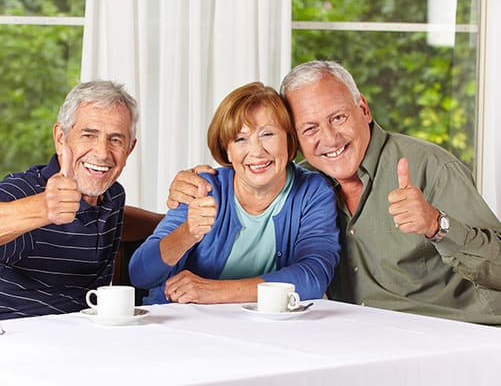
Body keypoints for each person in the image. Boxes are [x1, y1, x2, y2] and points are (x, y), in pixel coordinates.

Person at [167, 61, 501, 325]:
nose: (329, 138)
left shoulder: (430, 167)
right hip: (362, 337)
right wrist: (198, 181)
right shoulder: (305, 186)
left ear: (364, 110)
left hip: (460, 332)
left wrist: (436, 225)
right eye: (310, 128)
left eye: (338, 117)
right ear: (294, 138)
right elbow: (247, 175)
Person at [128, 82, 340, 305]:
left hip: (255, 330)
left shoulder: (312, 192)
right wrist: (187, 233)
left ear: (288, 139)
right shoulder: (205, 188)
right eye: (240, 139)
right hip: (179, 323)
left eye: (267, 134)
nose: (257, 151)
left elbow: (314, 277)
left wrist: (216, 292)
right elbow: (141, 274)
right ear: (227, 150)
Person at [0, 80, 138, 319]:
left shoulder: (114, 197)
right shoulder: (25, 190)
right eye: (88, 135)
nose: (102, 153)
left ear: (129, 149)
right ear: (60, 138)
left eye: (115, 140)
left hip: (86, 340)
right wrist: (43, 207)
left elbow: (127, 219)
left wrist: (174, 222)